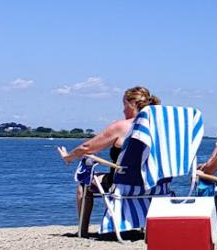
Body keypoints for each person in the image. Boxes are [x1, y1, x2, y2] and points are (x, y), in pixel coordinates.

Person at [60, 86, 161, 222]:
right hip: (157, 183)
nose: (123, 110)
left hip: (126, 183)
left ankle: (83, 230)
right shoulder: (161, 128)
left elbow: (86, 147)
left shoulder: (123, 126)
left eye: (124, 105)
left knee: (84, 183)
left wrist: (68, 157)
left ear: (131, 105)